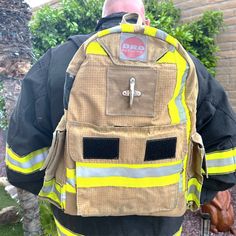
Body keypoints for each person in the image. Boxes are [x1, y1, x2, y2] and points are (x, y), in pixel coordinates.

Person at [5, 0, 236, 235]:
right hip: (161, 226)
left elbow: (20, 164)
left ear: (100, 23)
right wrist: (183, 194)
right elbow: (225, 155)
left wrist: (62, 195)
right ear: (146, 23)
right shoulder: (186, 66)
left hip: (80, 225)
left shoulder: (57, 62)